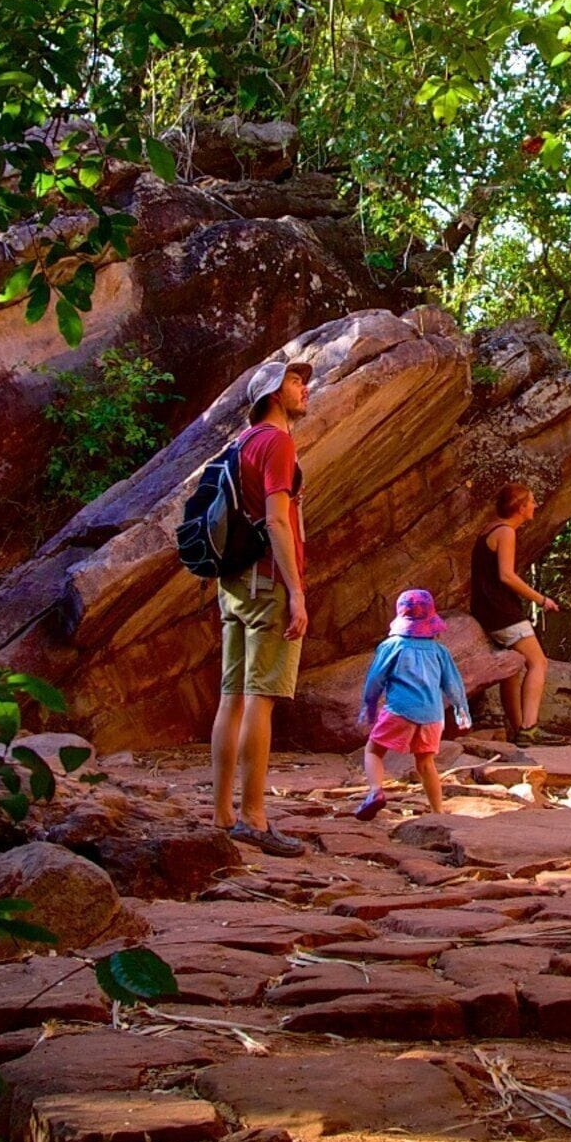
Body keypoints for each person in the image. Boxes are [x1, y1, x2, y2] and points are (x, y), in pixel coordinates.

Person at [209, 358, 313, 856]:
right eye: (296, 381)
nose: (304, 388)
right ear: (273, 393)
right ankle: (252, 816)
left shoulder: (239, 445)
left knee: (231, 696)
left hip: (232, 582)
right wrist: (296, 591)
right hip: (266, 583)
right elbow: (276, 521)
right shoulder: (276, 442)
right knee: (260, 697)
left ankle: (222, 812)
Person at [353, 588, 464, 821]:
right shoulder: (439, 651)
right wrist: (460, 708)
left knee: (373, 750)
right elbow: (453, 682)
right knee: (425, 762)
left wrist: (369, 706)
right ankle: (437, 812)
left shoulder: (392, 646)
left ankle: (375, 792)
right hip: (432, 716)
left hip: (399, 711)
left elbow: (375, 679)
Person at [472, 481, 562, 742]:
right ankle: (529, 727)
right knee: (538, 662)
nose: (535, 505)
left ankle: (518, 728)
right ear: (521, 508)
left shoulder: (487, 530)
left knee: (511, 670)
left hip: (486, 610)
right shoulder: (506, 532)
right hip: (502, 612)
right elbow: (507, 576)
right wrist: (542, 599)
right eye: (531, 501)